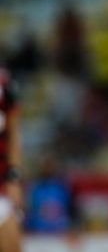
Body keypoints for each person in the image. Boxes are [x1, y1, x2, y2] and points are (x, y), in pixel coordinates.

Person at [0, 67, 22, 252]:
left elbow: (13, 134)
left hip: (0, 184)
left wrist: (14, 177)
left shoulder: (4, 83)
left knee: (11, 245)